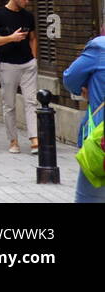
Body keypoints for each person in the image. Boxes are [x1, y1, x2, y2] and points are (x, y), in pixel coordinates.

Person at [0, 0, 39, 154]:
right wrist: (10, 38)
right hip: (7, 65)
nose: (27, 1)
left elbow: (32, 37)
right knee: (9, 105)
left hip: (28, 64)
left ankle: (34, 140)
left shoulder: (28, 16)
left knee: (31, 102)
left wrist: (34, 57)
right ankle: (13, 141)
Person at [62, 19, 105, 203]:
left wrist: (84, 87)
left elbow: (70, 78)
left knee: (90, 196)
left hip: (100, 137)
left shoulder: (99, 47)